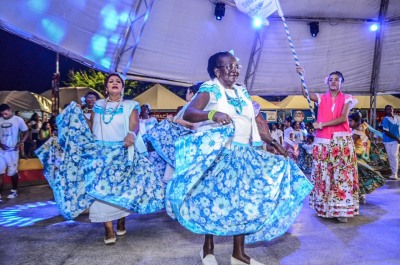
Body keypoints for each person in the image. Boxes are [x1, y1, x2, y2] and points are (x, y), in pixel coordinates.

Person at [167, 51, 313, 265]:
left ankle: (239, 254)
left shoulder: (242, 92)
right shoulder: (210, 88)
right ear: (217, 70)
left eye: (236, 66)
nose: (235, 70)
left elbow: (253, 122)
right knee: (214, 200)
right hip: (221, 155)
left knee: (245, 202)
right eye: (229, 66)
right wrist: (211, 114)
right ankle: (208, 249)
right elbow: (189, 113)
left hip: (245, 155)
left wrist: (272, 143)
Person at [36, 74, 165, 244]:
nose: (115, 83)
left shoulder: (130, 105)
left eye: (118, 81)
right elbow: (92, 127)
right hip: (100, 154)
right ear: (106, 87)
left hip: (122, 152)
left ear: (122, 87)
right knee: (100, 189)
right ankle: (108, 229)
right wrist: (79, 115)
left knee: (121, 191)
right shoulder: (98, 105)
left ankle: (121, 220)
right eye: (111, 81)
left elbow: (134, 123)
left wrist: (131, 134)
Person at [298, 68, 359, 223]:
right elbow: (305, 94)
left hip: (341, 141)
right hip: (323, 141)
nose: (333, 82)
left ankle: (341, 210)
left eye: (337, 79)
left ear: (341, 83)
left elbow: (342, 118)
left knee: (341, 175)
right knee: (323, 175)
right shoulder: (321, 98)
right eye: (331, 79)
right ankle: (325, 207)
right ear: (327, 82)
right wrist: (302, 77)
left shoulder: (347, 98)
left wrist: (321, 124)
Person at [348, 113, 385, 203]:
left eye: (350, 121)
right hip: (364, 153)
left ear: (356, 122)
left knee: (357, 175)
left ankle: (359, 194)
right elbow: (368, 138)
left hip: (357, 154)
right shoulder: (364, 126)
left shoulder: (356, 132)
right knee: (361, 175)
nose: (349, 123)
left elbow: (350, 143)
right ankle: (360, 194)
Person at [0, 104, 29, 202]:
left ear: (10, 110)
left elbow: (26, 132)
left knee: (12, 172)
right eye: (2, 114)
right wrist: (0, 144)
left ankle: (14, 190)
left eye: (5, 113)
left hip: (13, 151)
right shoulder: (0, 120)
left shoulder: (18, 120)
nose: (4, 116)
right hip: (2, 151)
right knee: (0, 171)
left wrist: (20, 143)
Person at [381, 105, 400, 180]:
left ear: (393, 109)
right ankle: (393, 173)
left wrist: (398, 138)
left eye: (390, 108)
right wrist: (397, 138)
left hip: (396, 140)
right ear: (386, 111)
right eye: (387, 109)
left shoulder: (398, 118)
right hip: (388, 140)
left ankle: (395, 173)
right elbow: (386, 131)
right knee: (390, 156)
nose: (389, 110)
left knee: (394, 155)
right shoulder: (385, 119)